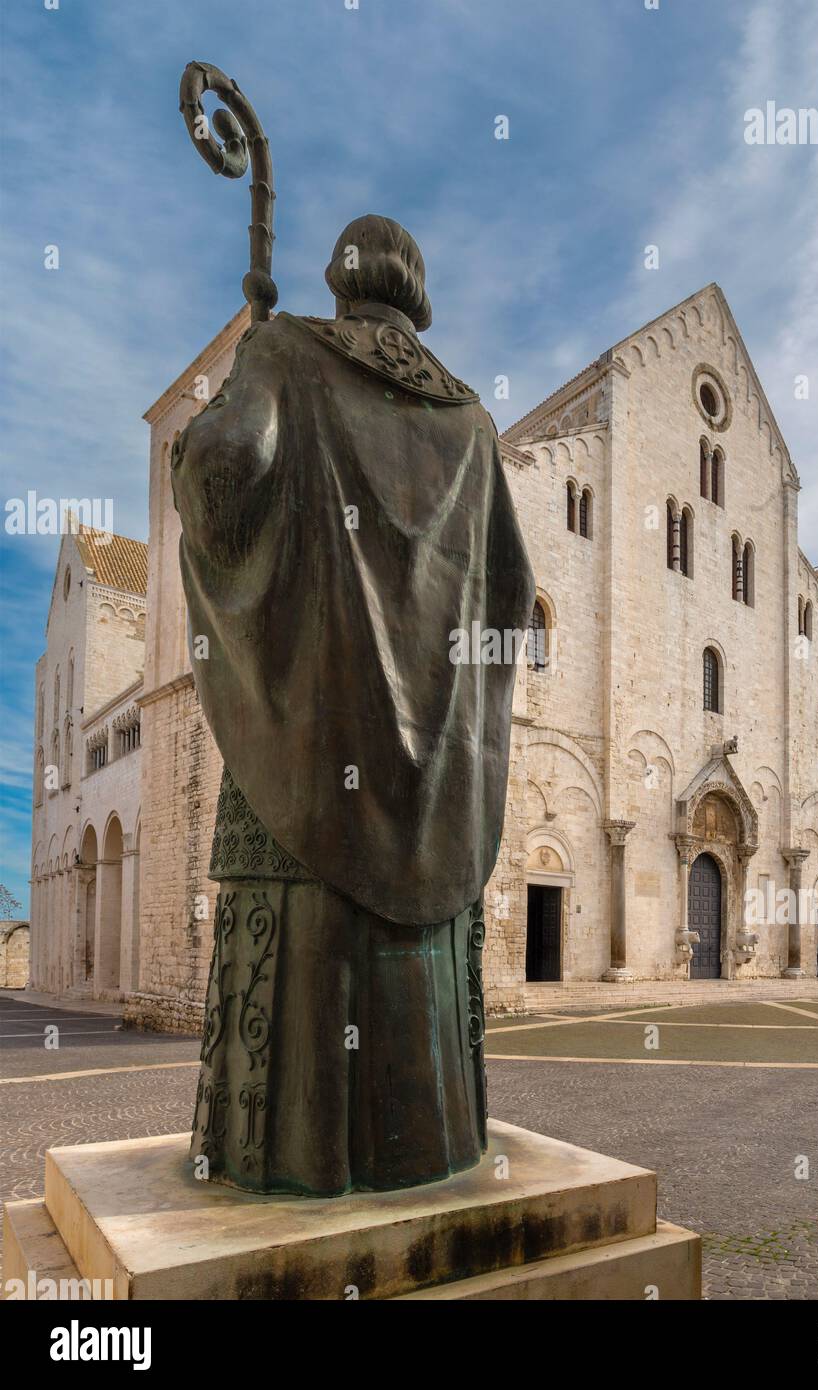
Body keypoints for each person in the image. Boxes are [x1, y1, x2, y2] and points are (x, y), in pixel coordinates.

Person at [171, 214, 535, 1196]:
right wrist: (456, 736)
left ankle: (292, 1168)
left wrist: (242, 376)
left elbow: (217, 480)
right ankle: (439, 1150)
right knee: (424, 1064)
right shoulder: (473, 424)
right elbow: (509, 601)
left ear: (342, 282)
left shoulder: (287, 351)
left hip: (305, 776)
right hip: (439, 805)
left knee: (296, 1019)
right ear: (416, 293)